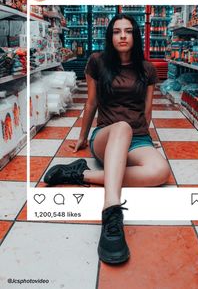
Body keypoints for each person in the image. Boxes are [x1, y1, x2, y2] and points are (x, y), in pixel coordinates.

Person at [44, 13, 171, 264]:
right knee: (122, 126)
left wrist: (148, 137)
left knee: (160, 171)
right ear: (110, 35)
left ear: (135, 35)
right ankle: (111, 211)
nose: (122, 36)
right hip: (106, 135)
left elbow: (147, 110)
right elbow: (90, 103)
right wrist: (82, 137)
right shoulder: (97, 62)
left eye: (128, 31)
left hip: (137, 137)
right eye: (116, 31)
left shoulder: (146, 69)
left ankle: (80, 174)